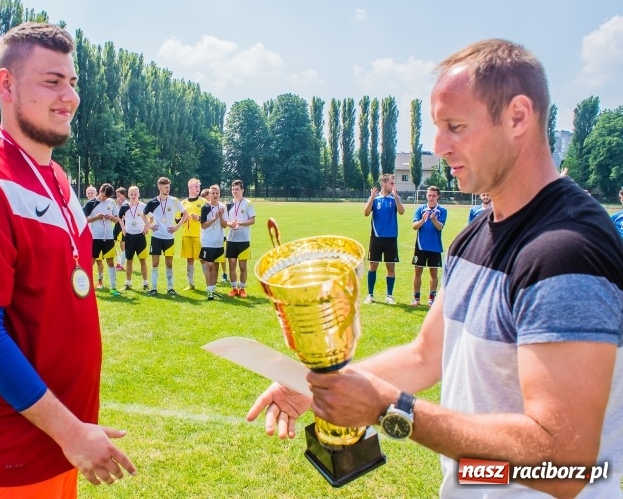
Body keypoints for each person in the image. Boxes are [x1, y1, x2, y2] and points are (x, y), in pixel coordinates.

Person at [247, 39, 623, 498]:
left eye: (456, 126)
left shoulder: (566, 249)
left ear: (518, 117)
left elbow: (563, 461)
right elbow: (425, 355)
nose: (440, 147)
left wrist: (390, 407)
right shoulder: (477, 233)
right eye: (437, 129)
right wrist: (319, 390)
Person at [0, 22, 136, 497]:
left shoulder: (58, 179)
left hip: (60, 437)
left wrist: (71, 431)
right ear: (6, 85)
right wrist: (70, 432)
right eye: (52, 81)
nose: (70, 95)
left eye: (72, 81)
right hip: (3, 448)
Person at [363, 173, 405, 304]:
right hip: (376, 237)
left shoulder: (394, 199)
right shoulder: (375, 199)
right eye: (391, 183)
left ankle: (389, 296)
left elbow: (402, 211)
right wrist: (371, 198)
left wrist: (397, 197)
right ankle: (370, 295)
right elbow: (365, 213)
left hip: (391, 237)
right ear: (384, 183)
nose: (393, 186)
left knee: (390, 267)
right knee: (373, 266)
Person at [143, 176, 188, 296]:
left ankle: (170, 288)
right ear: (159, 187)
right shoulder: (153, 202)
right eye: (166, 187)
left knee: (169, 263)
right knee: (155, 263)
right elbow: (143, 214)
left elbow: (186, 214)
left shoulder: (174, 200)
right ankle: (153, 288)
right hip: (156, 237)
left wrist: (177, 227)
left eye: (169, 187)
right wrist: (149, 225)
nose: (168, 189)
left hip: (169, 238)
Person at [410, 185, 447, 307]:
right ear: (426, 195)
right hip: (420, 246)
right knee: (418, 271)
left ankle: (431, 298)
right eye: (429, 195)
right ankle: (416, 298)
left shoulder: (442, 211)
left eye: (434, 196)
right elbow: (414, 226)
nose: (431, 198)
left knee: (434, 273)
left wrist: (433, 219)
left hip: (434, 246)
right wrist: (423, 220)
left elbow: (440, 227)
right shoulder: (420, 209)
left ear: (438, 196)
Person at [84, 183, 120, 296]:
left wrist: (112, 217)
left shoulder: (112, 202)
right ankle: (87, 286)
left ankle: (113, 287)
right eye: (103, 196)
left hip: (108, 237)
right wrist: (96, 217)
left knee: (110, 261)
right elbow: (84, 220)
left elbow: (116, 220)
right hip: (94, 237)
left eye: (107, 197)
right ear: (100, 191)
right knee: (91, 261)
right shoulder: (91, 203)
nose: (105, 198)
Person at [224, 179, 256, 297]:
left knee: (242, 266)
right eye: (233, 189)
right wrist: (230, 224)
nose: (234, 191)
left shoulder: (248, 203)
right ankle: (234, 288)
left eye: (237, 189)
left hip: (244, 239)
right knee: (232, 264)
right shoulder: (228, 205)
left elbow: (252, 220)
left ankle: (242, 289)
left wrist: (240, 224)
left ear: (242, 190)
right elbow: (225, 221)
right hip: (231, 239)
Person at [118, 185, 150, 291]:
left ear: (139, 194)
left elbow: (152, 215)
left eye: (135, 194)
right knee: (129, 260)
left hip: (140, 236)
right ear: (128, 195)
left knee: (143, 260)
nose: (133, 196)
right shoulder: (125, 206)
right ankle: (128, 283)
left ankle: (145, 283)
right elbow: (119, 217)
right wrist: (123, 227)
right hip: (129, 236)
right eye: (131, 194)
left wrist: (147, 226)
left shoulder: (143, 206)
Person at [199, 184, 227, 300]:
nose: (215, 195)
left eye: (217, 193)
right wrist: (214, 218)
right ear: (209, 194)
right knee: (209, 266)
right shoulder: (205, 208)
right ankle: (209, 291)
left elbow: (224, 225)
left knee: (216, 267)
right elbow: (203, 225)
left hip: (218, 241)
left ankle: (213, 290)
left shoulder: (223, 207)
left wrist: (220, 217)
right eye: (213, 193)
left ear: (219, 194)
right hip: (208, 241)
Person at [180, 178, 207, 290]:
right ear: (189, 188)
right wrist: (184, 219)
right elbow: (177, 219)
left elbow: (209, 217)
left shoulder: (203, 202)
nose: (198, 188)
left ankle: (208, 284)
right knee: (189, 259)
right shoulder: (183, 203)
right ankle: (190, 284)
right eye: (196, 186)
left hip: (199, 235)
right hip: (186, 235)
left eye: (198, 187)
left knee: (203, 259)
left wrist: (199, 218)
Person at [113, 187, 128, 270]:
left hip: (124, 225)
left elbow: (125, 216)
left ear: (123, 195)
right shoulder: (116, 204)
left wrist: (120, 206)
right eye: (116, 195)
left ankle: (121, 265)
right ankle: (119, 262)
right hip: (117, 225)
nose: (117, 197)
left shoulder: (127, 204)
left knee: (123, 246)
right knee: (111, 244)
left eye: (118, 195)